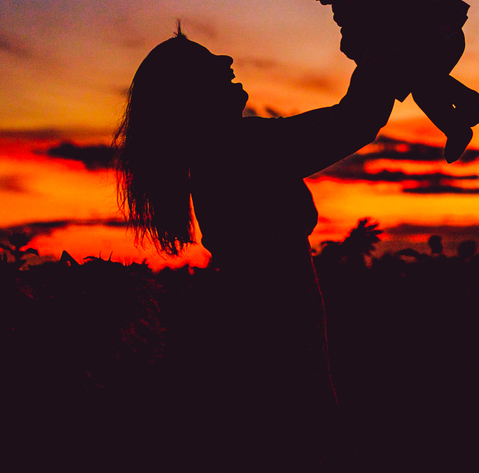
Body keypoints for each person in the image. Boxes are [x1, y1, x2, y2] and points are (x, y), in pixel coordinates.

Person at [112, 28, 395, 468]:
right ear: (190, 94)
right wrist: (384, 48)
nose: (226, 61)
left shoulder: (218, 157)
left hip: (264, 320)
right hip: (275, 324)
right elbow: (355, 121)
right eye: (208, 63)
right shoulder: (238, 150)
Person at [295, 0, 479, 162]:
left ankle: (462, 110)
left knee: (422, 84)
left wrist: (366, 54)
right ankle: (459, 118)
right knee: (423, 86)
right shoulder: (352, 3)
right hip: (419, 45)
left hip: (437, 36)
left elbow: (381, 33)